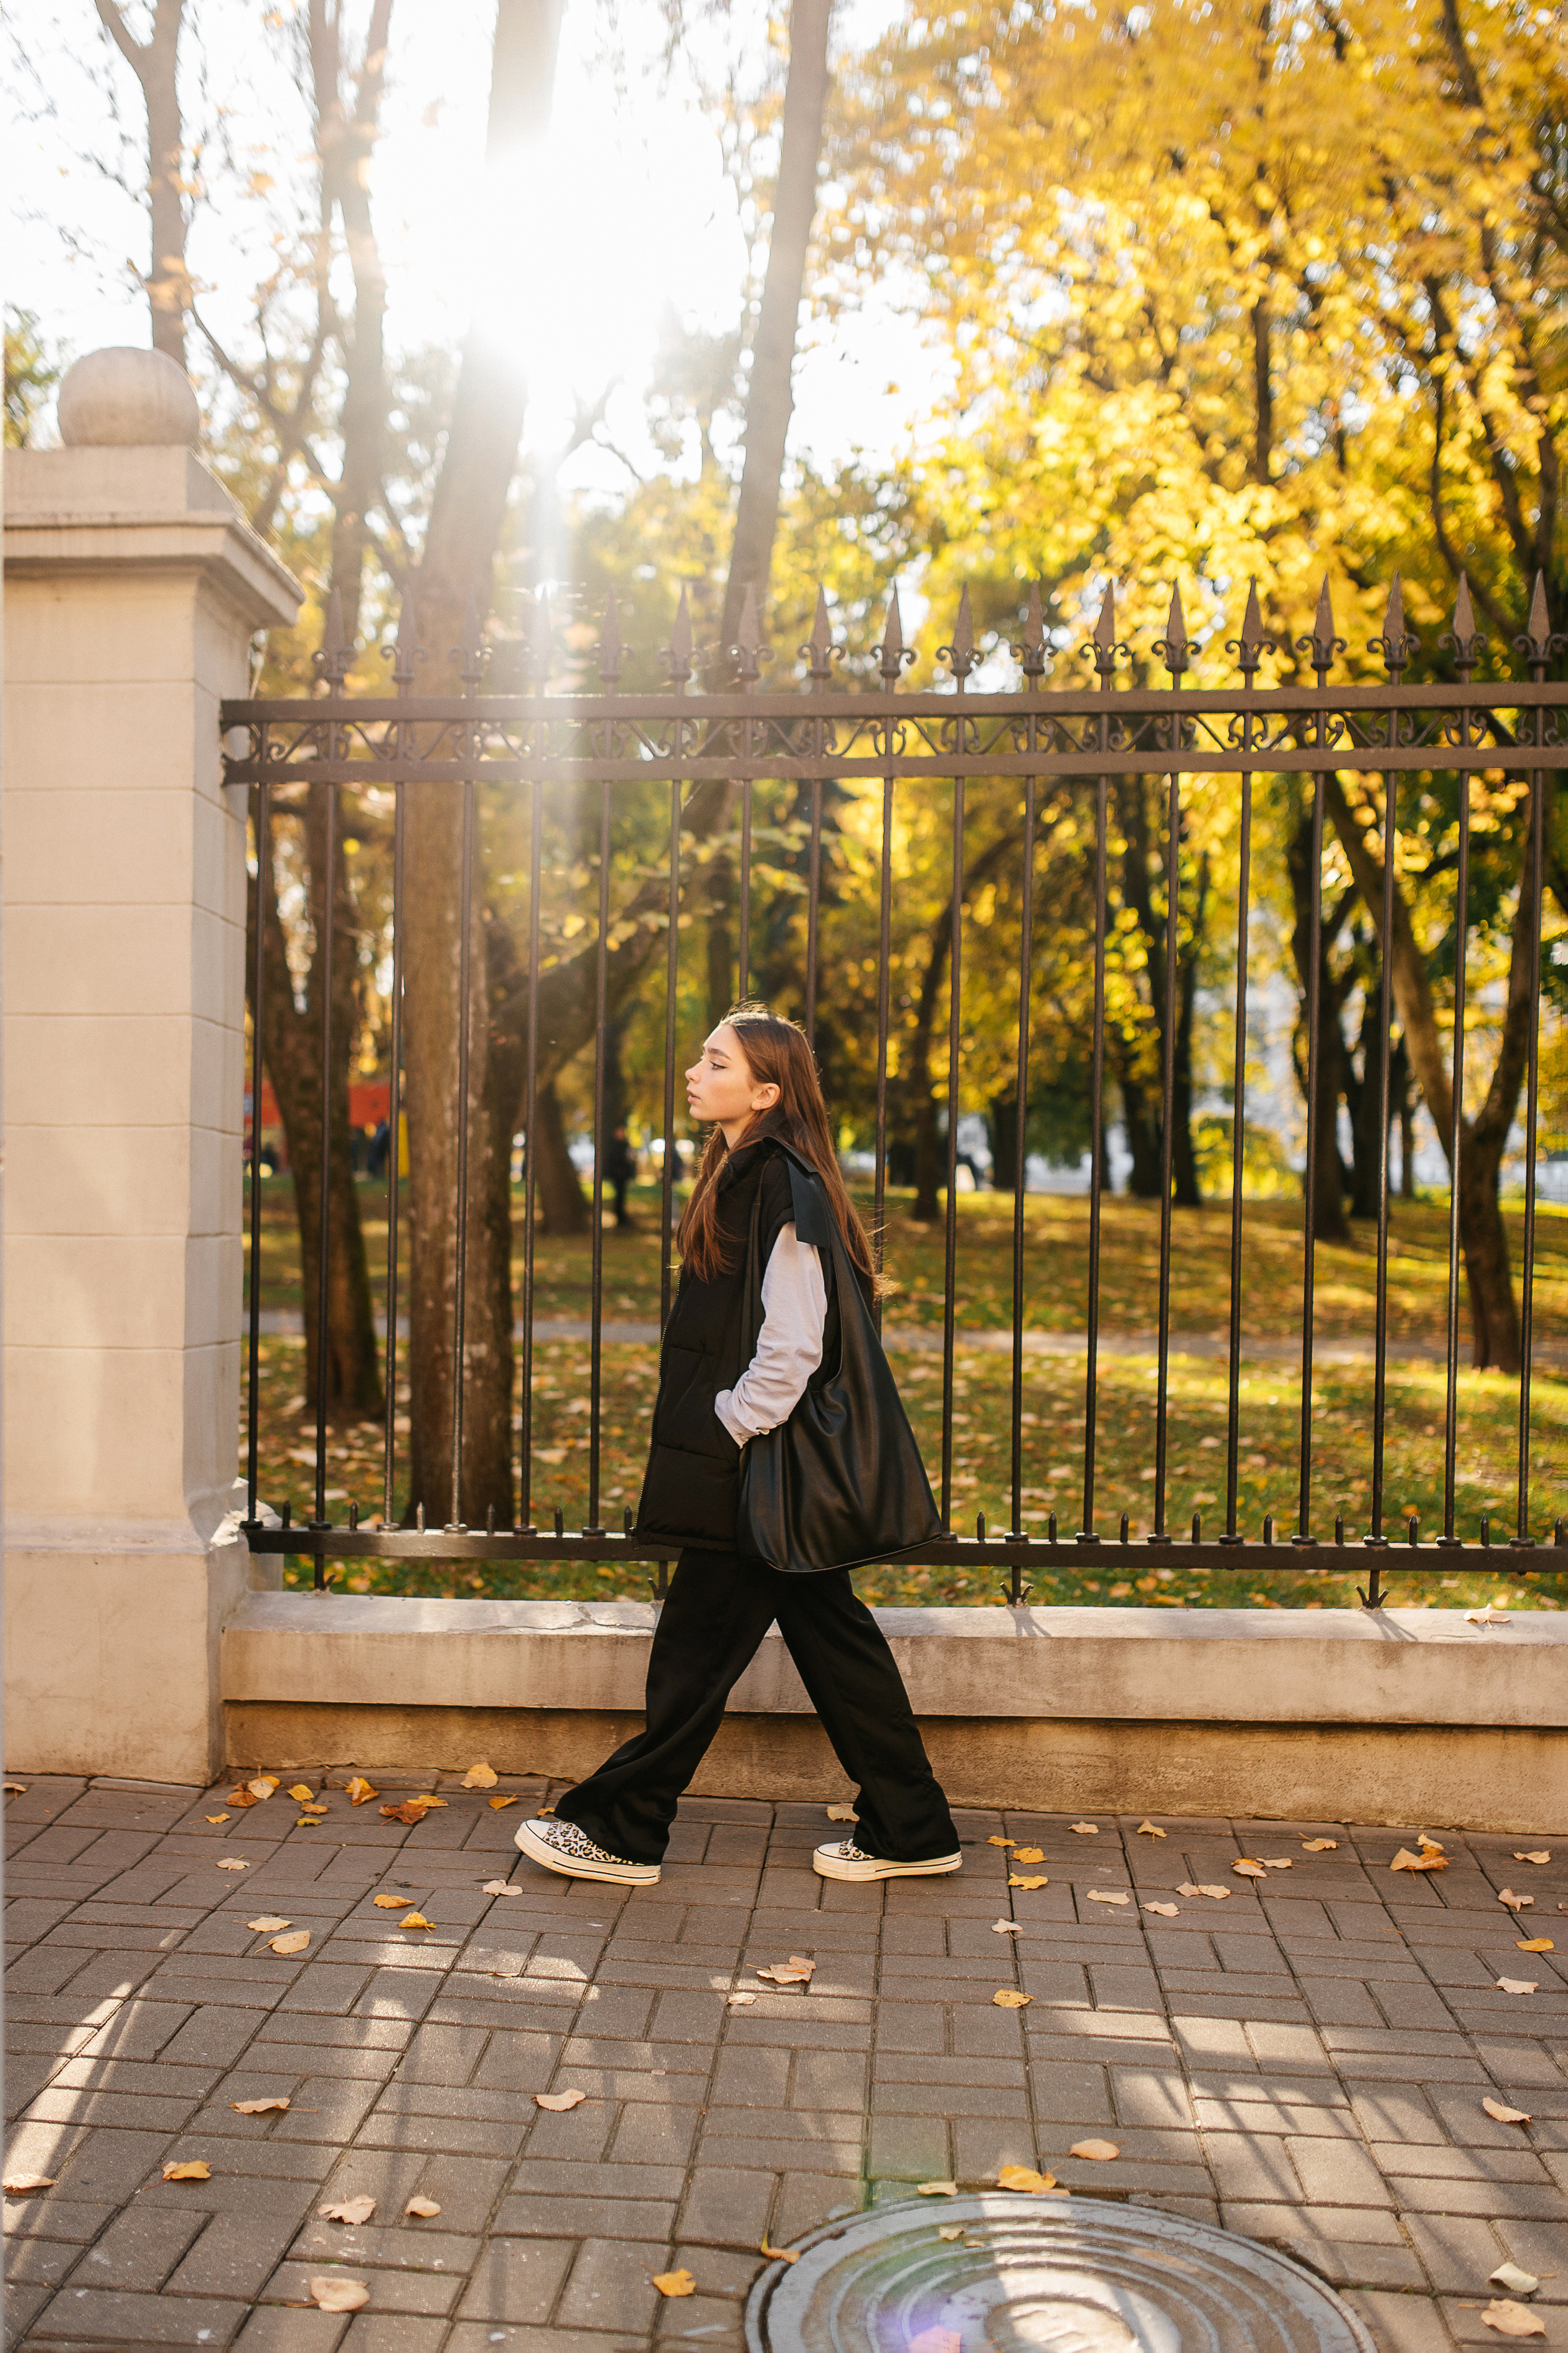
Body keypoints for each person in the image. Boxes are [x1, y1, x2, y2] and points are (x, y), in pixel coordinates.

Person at [515, 1004, 960, 1890]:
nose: (694, 1070)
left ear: (765, 1089)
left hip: (754, 1465)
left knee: (693, 1650)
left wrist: (728, 1420)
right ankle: (910, 1825)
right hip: (762, 1464)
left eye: (715, 1061)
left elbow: (795, 1339)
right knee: (834, 1643)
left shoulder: (774, 1183)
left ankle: (621, 1826)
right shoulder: (752, 1173)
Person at [604, 1123, 638, 1228]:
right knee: (619, 1196)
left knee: (622, 1196)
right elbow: (614, 1160)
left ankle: (621, 1217)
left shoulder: (625, 1144)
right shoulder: (615, 1145)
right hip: (617, 1174)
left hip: (623, 1174)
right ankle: (620, 1217)